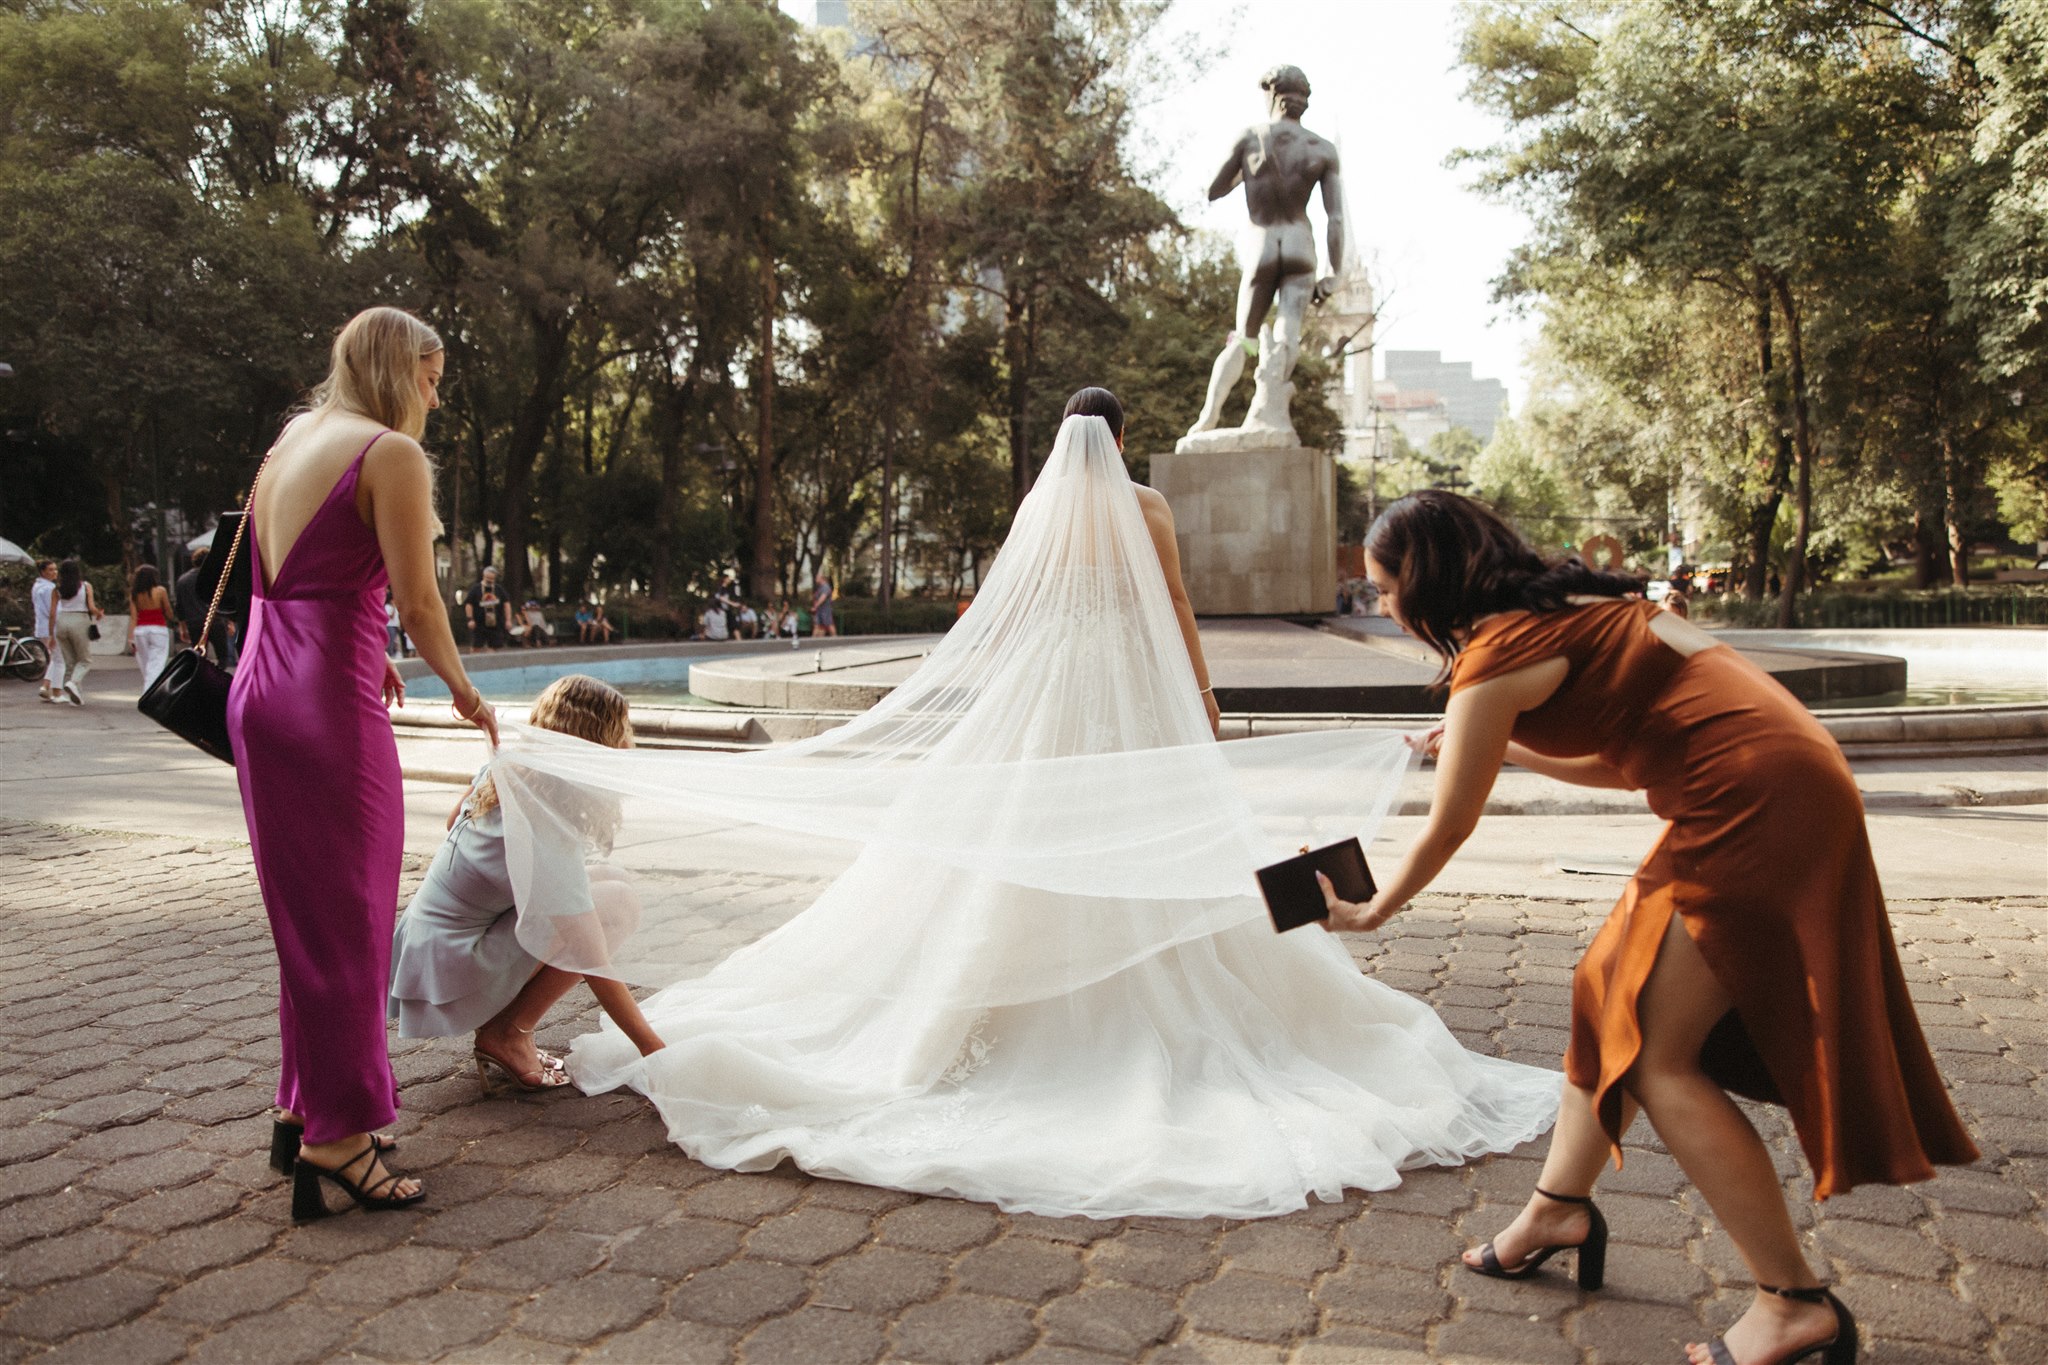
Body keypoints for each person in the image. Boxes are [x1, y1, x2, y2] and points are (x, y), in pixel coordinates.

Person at [485, 388, 1558, 1219]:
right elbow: (1174, 602)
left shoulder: (1042, 503)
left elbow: (1015, 612)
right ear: (1123, 437)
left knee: (1017, 841)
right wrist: (1196, 697)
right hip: (1127, 683)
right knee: (1138, 829)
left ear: (1060, 440)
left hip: (1051, 688)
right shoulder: (1142, 504)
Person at [1317, 491, 1976, 1365]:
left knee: (1662, 1057)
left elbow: (1448, 825)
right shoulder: (1582, 610)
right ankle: (1559, 1205)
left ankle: (1793, 1302)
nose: (1387, 609)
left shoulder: (1498, 651)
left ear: (1424, 581)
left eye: (1384, 589)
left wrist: (1371, 908)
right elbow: (1625, 762)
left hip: (1751, 801)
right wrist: (1507, 742)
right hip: (1784, 773)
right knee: (1605, 986)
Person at [229, 305, 500, 1222]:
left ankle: (301, 1104)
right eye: (431, 373)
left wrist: (356, 637)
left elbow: (295, 572)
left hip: (263, 686)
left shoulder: (295, 437)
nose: (435, 392)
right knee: (349, 921)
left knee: (307, 919)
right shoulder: (390, 453)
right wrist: (464, 691)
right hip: (324, 708)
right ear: (398, 370)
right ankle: (338, 1142)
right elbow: (420, 603)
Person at [391, 675, 664, 1089]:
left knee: (609, 881)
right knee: (615, 907)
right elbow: (592, 958)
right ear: (597, 743)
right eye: (621, 733)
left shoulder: (507, 769)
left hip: (424, 942)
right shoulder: (545, 827)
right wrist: (655, 1051)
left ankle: (506, 1029)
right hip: (450, 964)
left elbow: (453, 823)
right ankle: (509, 1033)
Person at [51, 559, 101, 705]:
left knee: (70, 662)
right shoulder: (85, 586)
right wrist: (98, 613)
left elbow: (52, 613)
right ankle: (73, 683)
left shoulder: (57, 589)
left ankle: (75, 698)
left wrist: (50, 634)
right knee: (85, 660)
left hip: (61, 621)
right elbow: (91, 607)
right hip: (79, 620)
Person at [129, 564, 174, 692]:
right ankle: (149, 691)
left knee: (145, 663)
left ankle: (151, 688)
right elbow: (168, 611)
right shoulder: (160, 591)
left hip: (140, 631)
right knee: (157, 662)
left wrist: (130, 638)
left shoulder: (134, 593)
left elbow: (133, 617)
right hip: (158, 629)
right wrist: (172, 618)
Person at [31, 559, 62, 702]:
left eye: (55, 569)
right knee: (59, 660)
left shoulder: (37, 586)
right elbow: (53, 611)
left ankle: (46, 686)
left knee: (55, 659)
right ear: (43, 572)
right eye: (50, 569)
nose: (54, 572)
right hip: (51, 627)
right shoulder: (50, 588)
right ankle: (53, 691)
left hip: (41, 626)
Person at [465, 567, 508, 651]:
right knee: (476, 646)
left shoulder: (499, 589)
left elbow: (507, 603)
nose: (489, 580)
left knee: (494, 646)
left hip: (495, 622)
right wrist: (470, 619)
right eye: (487, 578)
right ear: (483, 576)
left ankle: (491, 662)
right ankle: (474, 662)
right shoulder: (476, 589)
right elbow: (468, 604)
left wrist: (508, 619)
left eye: (492, 579)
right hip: (479, 622)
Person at [809, 571, 836, 637]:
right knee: (818, 626)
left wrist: (815, 606)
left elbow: (823, 598)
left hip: (825, 610)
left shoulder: (825, 587)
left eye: (817, 578)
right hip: (819, 610)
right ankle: (814, 641)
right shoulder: (820, 588)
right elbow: (816, 597)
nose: (815, 579)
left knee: (829, 624)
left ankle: (835, 638)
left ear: (821, 578)